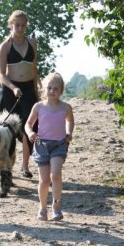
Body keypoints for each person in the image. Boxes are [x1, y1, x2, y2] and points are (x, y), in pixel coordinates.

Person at [0, 10, 41, 178]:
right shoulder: (5, 46)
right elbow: (1, 76)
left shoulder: (33, 43)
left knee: (29, 126)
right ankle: (4, 166)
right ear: (11, 25)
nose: (20, 28)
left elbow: (33, 68)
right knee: (6, 129)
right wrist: (13, 88)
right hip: (10, 90)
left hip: (28, 89)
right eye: (17, 25)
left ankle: (25, 166)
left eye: (23, 25)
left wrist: (37, 87)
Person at [24, 73, 74, 221]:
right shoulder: (38, 107)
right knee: (44, 180)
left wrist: (69, 132)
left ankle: (56, 206)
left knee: (56, 174)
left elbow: (70, 121)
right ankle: (42, 207)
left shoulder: (66, 107)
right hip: (41, 145)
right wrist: (30, 133)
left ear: (61, 91)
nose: (52, 91)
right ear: (43, 89)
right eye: (49, 88)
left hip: (59, 144)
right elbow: (28, 124)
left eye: (56, 89)